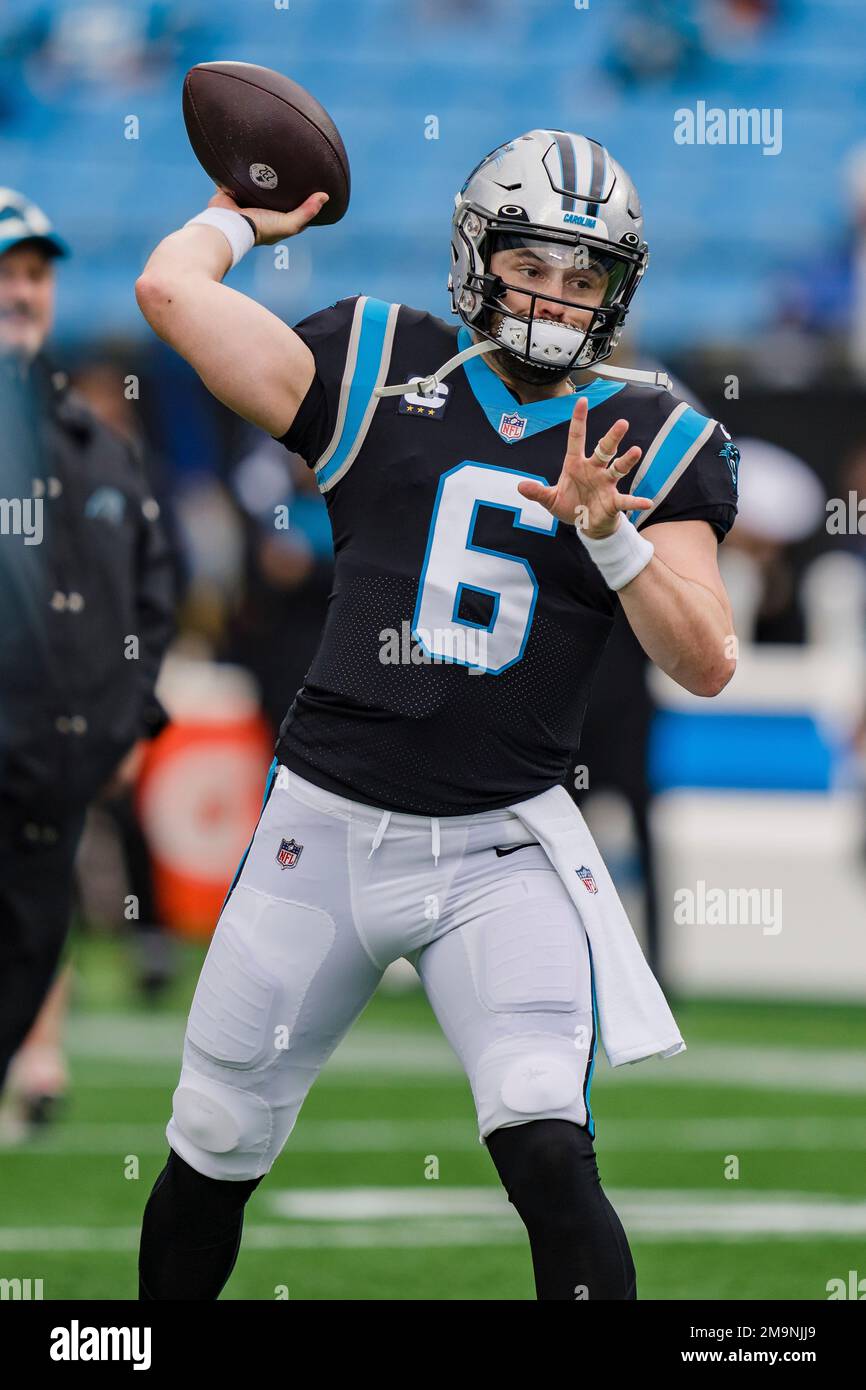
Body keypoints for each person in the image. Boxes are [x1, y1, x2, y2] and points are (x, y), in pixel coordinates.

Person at [134, 130, 738, 1301]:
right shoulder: (376, 357)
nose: (555, 299)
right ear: (477, 257)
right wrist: (237, 220)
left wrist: (608, 536)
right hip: (324, 828)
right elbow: (168, 291)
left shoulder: (651, 434)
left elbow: (704, 658)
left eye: (583, 278)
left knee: (547, 1143)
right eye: (533, 265)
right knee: (213, 1142)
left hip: (500, 847)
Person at [0, 188, 176, 1102]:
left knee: (22, 981)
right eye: (5, 272)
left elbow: (152, 594)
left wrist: (133, 719)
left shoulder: (98, 447)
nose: (22, 292)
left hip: (52, 791)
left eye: (35, 274)